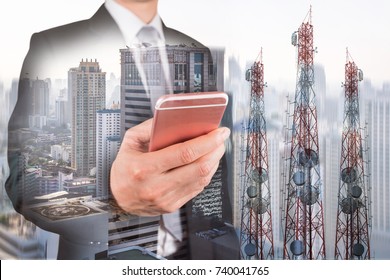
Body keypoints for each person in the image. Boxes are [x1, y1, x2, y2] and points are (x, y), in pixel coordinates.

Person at [6, 0, 238, 259]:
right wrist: (115, 196)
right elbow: (21, 185)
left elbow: (214, 174)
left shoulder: (198, 50)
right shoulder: (53, 43)